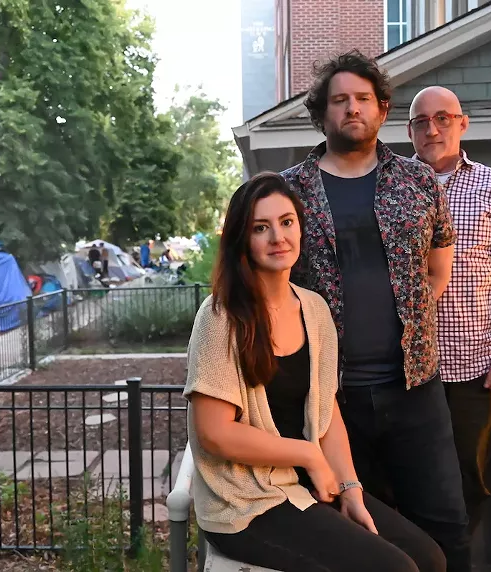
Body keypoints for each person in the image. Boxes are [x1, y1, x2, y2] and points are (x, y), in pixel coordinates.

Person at [184, 172, 446, 572]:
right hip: (246, 504)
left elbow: (326, 415)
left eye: (287, 222)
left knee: (430, 559)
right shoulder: (221, 317)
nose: (278, 237)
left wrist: (351, 488)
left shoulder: (314, 310)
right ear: (242, 239)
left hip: (304, 486)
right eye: (261, 227)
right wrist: (307, 455)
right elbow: (214, 432)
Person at [281, 50, 470, 572]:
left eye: (363, 99)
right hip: (329, 400)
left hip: (415, 388)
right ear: (322, 113)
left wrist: (409, 323)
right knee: (352, 528)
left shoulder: (418, 182)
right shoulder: (289, 190)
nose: (352, 109)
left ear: (383, 110)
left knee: (445, 521)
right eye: (339, 100)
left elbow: (438, 269)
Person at [408, 86, 491, 533]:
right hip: (410, 368)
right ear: (410, 131)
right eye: (422, 121)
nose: (432, 128)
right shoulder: (392, 186)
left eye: (443, 117)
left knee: (468, 478)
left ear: (463, 124)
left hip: (479, 367)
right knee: (411, 480)